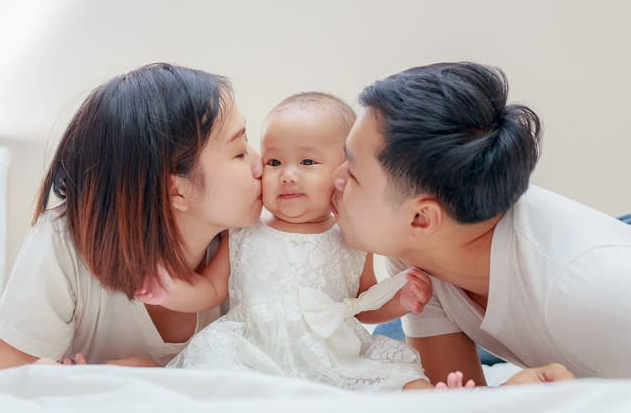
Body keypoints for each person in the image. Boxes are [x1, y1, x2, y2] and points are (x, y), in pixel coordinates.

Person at [331, 61, 631, 385]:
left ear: (421, 218)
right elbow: (458, 397)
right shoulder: (415, 248)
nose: (336, 177)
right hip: (597, 254)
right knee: (386, 352)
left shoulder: (599, 286)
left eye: (354, 173)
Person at [138, 92, 438, 390]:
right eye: (274, 161)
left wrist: (399, 303)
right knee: (214, 385)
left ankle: (444, 401)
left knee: (399, 380)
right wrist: (170, 292)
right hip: (253, 350)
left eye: (307, 162)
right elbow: (211, 289)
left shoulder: (351, 238)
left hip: (331, 355)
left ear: (344, 173)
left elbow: (363, 304)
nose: (288, 175)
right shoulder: (246, 231)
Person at [0, 63, 264, 371]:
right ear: (175, 191)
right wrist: (106, 383)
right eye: (239, 152)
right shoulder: (63, 247)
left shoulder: (250, 244)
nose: (260, 163)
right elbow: (1, 384)